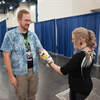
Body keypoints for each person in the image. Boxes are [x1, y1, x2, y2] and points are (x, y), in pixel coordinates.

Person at [1, 9, 52, 100]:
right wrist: (11, 76)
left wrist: (49, 59)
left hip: (34, 71)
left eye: (29, 20)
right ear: (18, 20)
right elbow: (6, 56)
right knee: (22, 96)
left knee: (32, 95)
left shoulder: (33, 35)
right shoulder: (10, 35)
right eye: (26, 20)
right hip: (20, 73)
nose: (28, 23)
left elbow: (41, 50)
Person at [48, 27, 97, 100]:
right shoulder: (91, 51)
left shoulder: (79, 56)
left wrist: (51, 63)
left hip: (78, 90)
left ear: (81, 39)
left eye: (74, 39)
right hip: (87, 86)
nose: (72, 41)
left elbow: (62, 71)